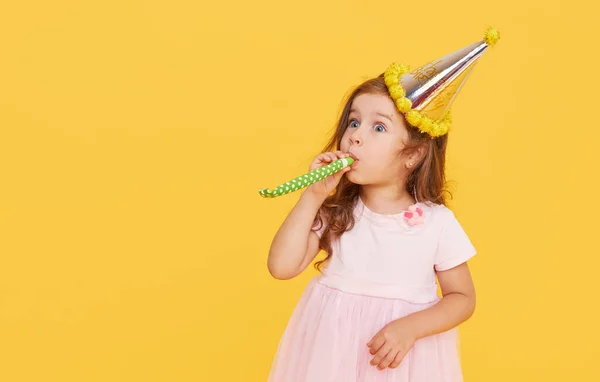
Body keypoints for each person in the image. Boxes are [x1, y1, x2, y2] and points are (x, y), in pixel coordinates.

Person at [266, 28, 500, 382]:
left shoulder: (435, 223)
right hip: (329, 360)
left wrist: (411, 328)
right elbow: (281, 267)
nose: (356, 134)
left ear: (414, 154)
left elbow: (462, 297)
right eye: (354, 122)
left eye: (378, 127)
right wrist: (312, 197)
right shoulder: (336, 213)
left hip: (400, 365)